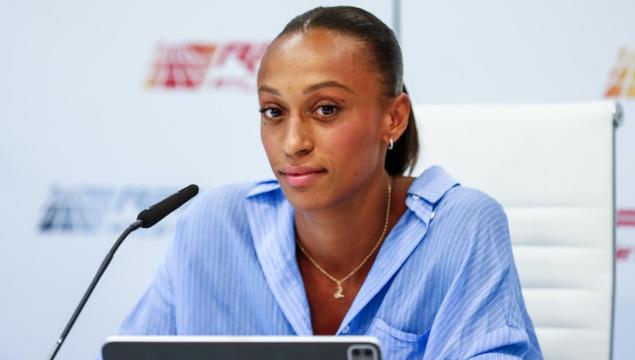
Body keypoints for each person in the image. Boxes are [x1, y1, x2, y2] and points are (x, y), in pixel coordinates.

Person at [119, 6, 542, 359]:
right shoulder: (213, 224)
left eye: (325, 110)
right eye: (273, 111)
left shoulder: (462, 227)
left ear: (393, 117)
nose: (293, 143)